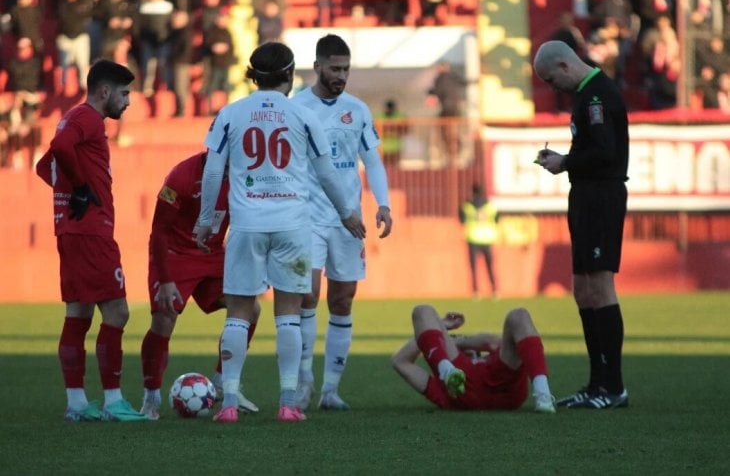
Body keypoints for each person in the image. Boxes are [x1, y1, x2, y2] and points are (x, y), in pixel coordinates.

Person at [195, 41, 365, 423]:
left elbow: (211, 171)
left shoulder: (231, 114)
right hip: (293, 225)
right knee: (289, 313)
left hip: (246, 225)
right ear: (289, 75)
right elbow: (327, 173)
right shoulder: (303, 115)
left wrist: (207, 218)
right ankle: (288, 402)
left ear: (254, 75)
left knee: (238, 313)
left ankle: (229, 404)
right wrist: (347, 213)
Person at [34, 59, 149, 422]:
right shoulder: (87, 119)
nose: (128, 102)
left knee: (79, 313)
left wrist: (69, 194)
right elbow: (61, 146)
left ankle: (77, 404)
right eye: (125, 93)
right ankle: (114, 400)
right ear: (105, 92)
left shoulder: (74, 116)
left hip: (71, 230)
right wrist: (81, 188)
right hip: (91, 232)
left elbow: (43, 165)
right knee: (117, 311)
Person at [292, 34, 393, 412]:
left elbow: (374, 162)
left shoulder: (358, 110)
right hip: (307, 218)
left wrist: (383, 204)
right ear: (317, 67)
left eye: (346, 69)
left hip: (348, 220)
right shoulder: (297, 107)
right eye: (334, 68)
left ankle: (330, 390)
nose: (341, 75)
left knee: (342, 299)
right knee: (307, 296)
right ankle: (304, 380)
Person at [533, 40, 629, 409]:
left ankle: (614, 386)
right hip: (586, 196)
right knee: (583, 289)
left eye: (550, 79)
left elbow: (605, 153)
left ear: (564, 65)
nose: (551, 88)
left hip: (602, 197)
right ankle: (596, 382)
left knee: (601, 286)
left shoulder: (596, 97)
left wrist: (565, 162)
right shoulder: (586, 96)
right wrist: (566, 161)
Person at [139, 151, 261, 420]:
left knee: (251, 309)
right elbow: (159, 230)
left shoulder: (244, 175)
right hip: (175, 254)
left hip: (213, 254)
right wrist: (166, 279)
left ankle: (221, 383)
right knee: (164, 318)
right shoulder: (181, 176)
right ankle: (151, 397)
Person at [391, 304, 556, 413]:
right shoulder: (441, 387)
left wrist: (455, 340)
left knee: (519, 314)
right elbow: (400, 361)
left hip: (487, 385)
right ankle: (446, 370)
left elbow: (491, 342)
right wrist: (440, 326)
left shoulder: (490, 356)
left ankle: (543, 394)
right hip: (462, 384)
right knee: (423, 311)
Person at [459, 183, 499, 300]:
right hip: (487, 238)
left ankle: (476, 292)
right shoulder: (490, 206)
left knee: (474, 268)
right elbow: (497, 219)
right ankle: (495, 290)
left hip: (473, 238)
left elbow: (461, 219)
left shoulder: (467, 206)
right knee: (490, 266)